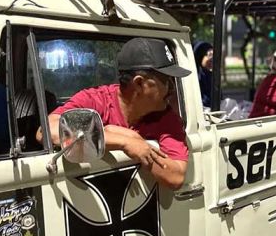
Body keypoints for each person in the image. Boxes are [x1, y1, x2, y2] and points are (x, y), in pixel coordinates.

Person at [40, 37, 191, 190]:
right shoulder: (95, 100)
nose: (172, 88)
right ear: (139, 84)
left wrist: (140, 145)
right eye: (166, 81)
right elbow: (46, 131)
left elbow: (176, 176)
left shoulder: (165, 117)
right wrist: (121, 140)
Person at [194, 41, 214, 108]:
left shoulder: (212, 75)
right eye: (209, 59)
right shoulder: (195, 77)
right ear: (201, 57)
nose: (212, 62)